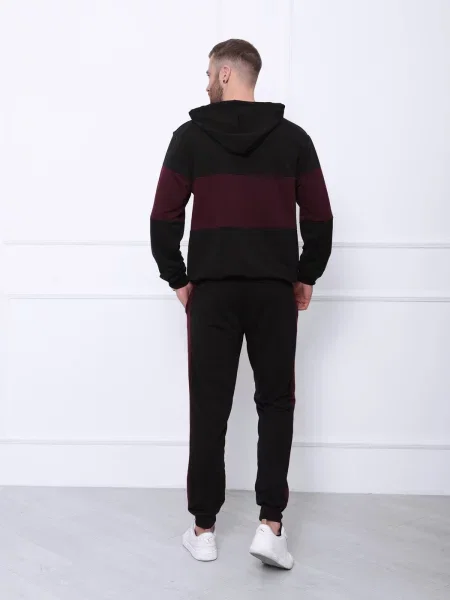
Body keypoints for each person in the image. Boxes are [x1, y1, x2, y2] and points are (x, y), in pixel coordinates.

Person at [150, 39, 333, 569]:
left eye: (210, 71)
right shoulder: (294, 139)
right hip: (274, 291)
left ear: (227, 73)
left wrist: (178, 278)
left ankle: (203, 530)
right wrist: (305, 275)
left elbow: (163, 216)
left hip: (212, 292)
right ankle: (271, 525)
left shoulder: (189, 138)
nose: (206, 80)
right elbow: (319, 218)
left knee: (209, 405)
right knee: (276, 402)